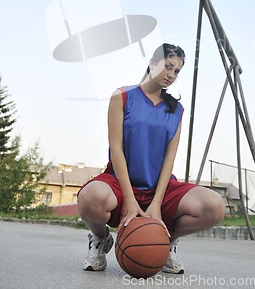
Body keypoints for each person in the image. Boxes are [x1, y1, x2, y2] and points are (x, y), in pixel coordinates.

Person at [77, 43, 225, 273]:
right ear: (152, 64)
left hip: (159, 188)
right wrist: (129, 199)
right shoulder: (122, 96)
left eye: (177, 71)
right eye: (168, 66)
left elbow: (170, 158)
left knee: (214, 207)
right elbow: (116, 149)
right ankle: (101, 238)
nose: (172, 75)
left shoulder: (176, 110)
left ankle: (164, 242)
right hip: (120, 182)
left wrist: (157, 203)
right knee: (89, 198)